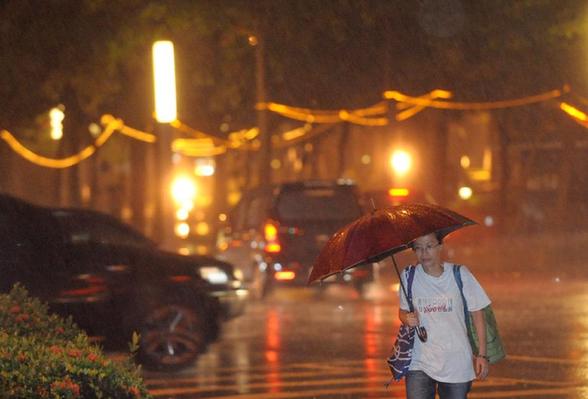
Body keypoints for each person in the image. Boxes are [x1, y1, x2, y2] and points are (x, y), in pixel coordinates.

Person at [398, 232, 491, 399]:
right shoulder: (409, 276)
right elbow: (402, 310)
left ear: (440, 246)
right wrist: (406, 318)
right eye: (418, 248)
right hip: (419, 361)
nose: (424, 253)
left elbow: (478, 313)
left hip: (456, 362)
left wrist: (482, 355)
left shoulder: (460, 274)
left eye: (429, 246)